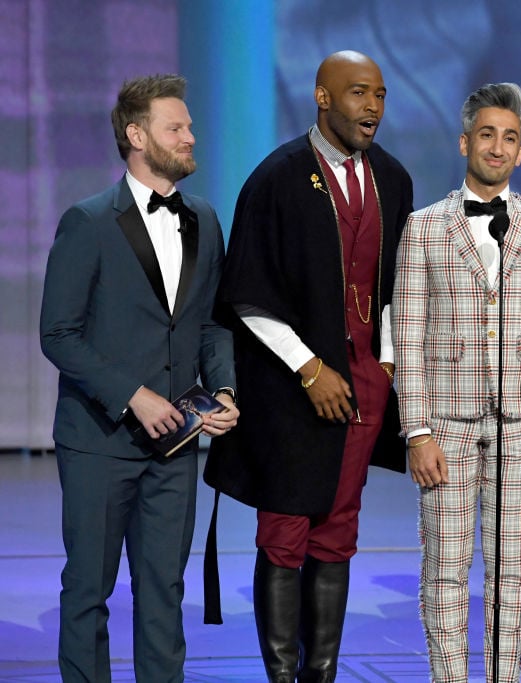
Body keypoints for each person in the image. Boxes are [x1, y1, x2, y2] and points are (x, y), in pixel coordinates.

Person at [202, 51, 413, 682]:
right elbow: (247, 290)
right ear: (322, 98)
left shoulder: (393, 180)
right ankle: (281, 677)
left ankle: (320, 674)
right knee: (287, 527)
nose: (372, 106)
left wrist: (390, 364)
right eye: (357, 93)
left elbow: (398, 287)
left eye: (379, 94)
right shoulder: (278, 177)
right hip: (293, 386)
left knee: (338, 528)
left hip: (366, 382)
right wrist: (309, 368)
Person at [392, 82, 521, 682]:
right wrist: (416, 430)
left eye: (510, 138)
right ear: (464, 143)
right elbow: (408, 337)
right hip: (446, 427)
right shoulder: (424, 228)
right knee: (445, 570)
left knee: (512, 571)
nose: (498, 147)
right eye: (487, 134)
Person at [39, 74, 239, 683]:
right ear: (136, 134)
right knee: (88, 592)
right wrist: (133, 396)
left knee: (164, 594)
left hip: (176, 444)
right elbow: (58, 334)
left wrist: (224, 389)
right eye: (176, 127)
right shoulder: (88, 221)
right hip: (99, 441)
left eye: (189, 126)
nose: (190, 136)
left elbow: (210, 323)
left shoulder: (203, 218)